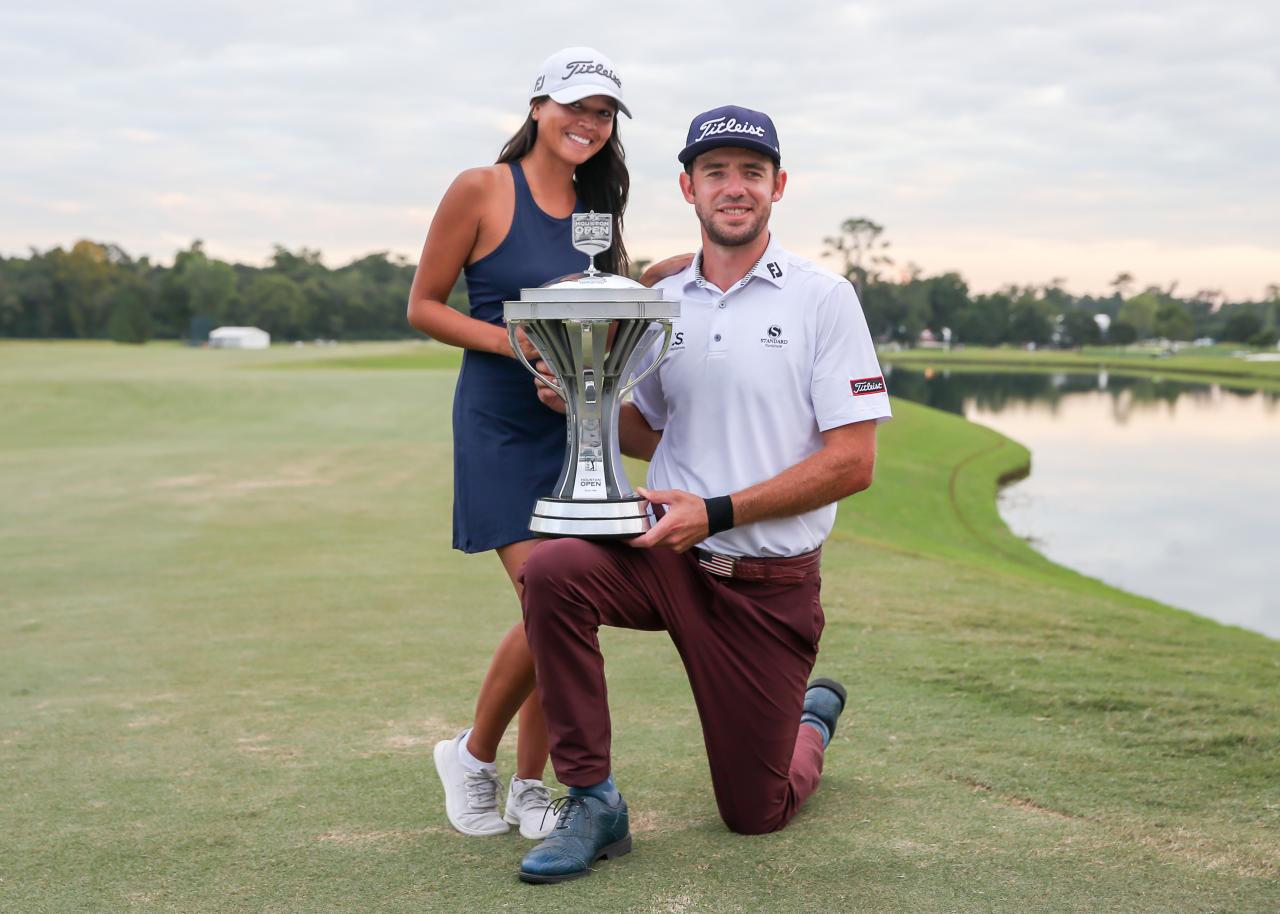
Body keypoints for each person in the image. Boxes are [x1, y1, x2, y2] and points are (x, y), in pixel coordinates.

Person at [516, 105, 894, 883]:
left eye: (751, 173)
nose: (734, 188)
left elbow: (853, 462)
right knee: (551, 571)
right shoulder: (661, 298)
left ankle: (811, 725)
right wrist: (583, 401)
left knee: (755, 813)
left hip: (765, 588)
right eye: (716, 172)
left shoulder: (824, 298)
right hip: (667, 560)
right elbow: (652, 427)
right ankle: (591, 798)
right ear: (687, 186)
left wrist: (714, 511)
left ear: (777, 186)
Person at [406, 46, 641, 841]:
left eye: (604, 113)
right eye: (577, 106)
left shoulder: (595, 204)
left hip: (572, 426)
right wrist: (523, 344)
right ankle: (473, 756)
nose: (589, 123)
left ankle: (526, 787)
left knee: (565, 608)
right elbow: (425, 307)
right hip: (501, 425)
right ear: (538, 106)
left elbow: (610, 304)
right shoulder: (481, 188)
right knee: (545, 594)